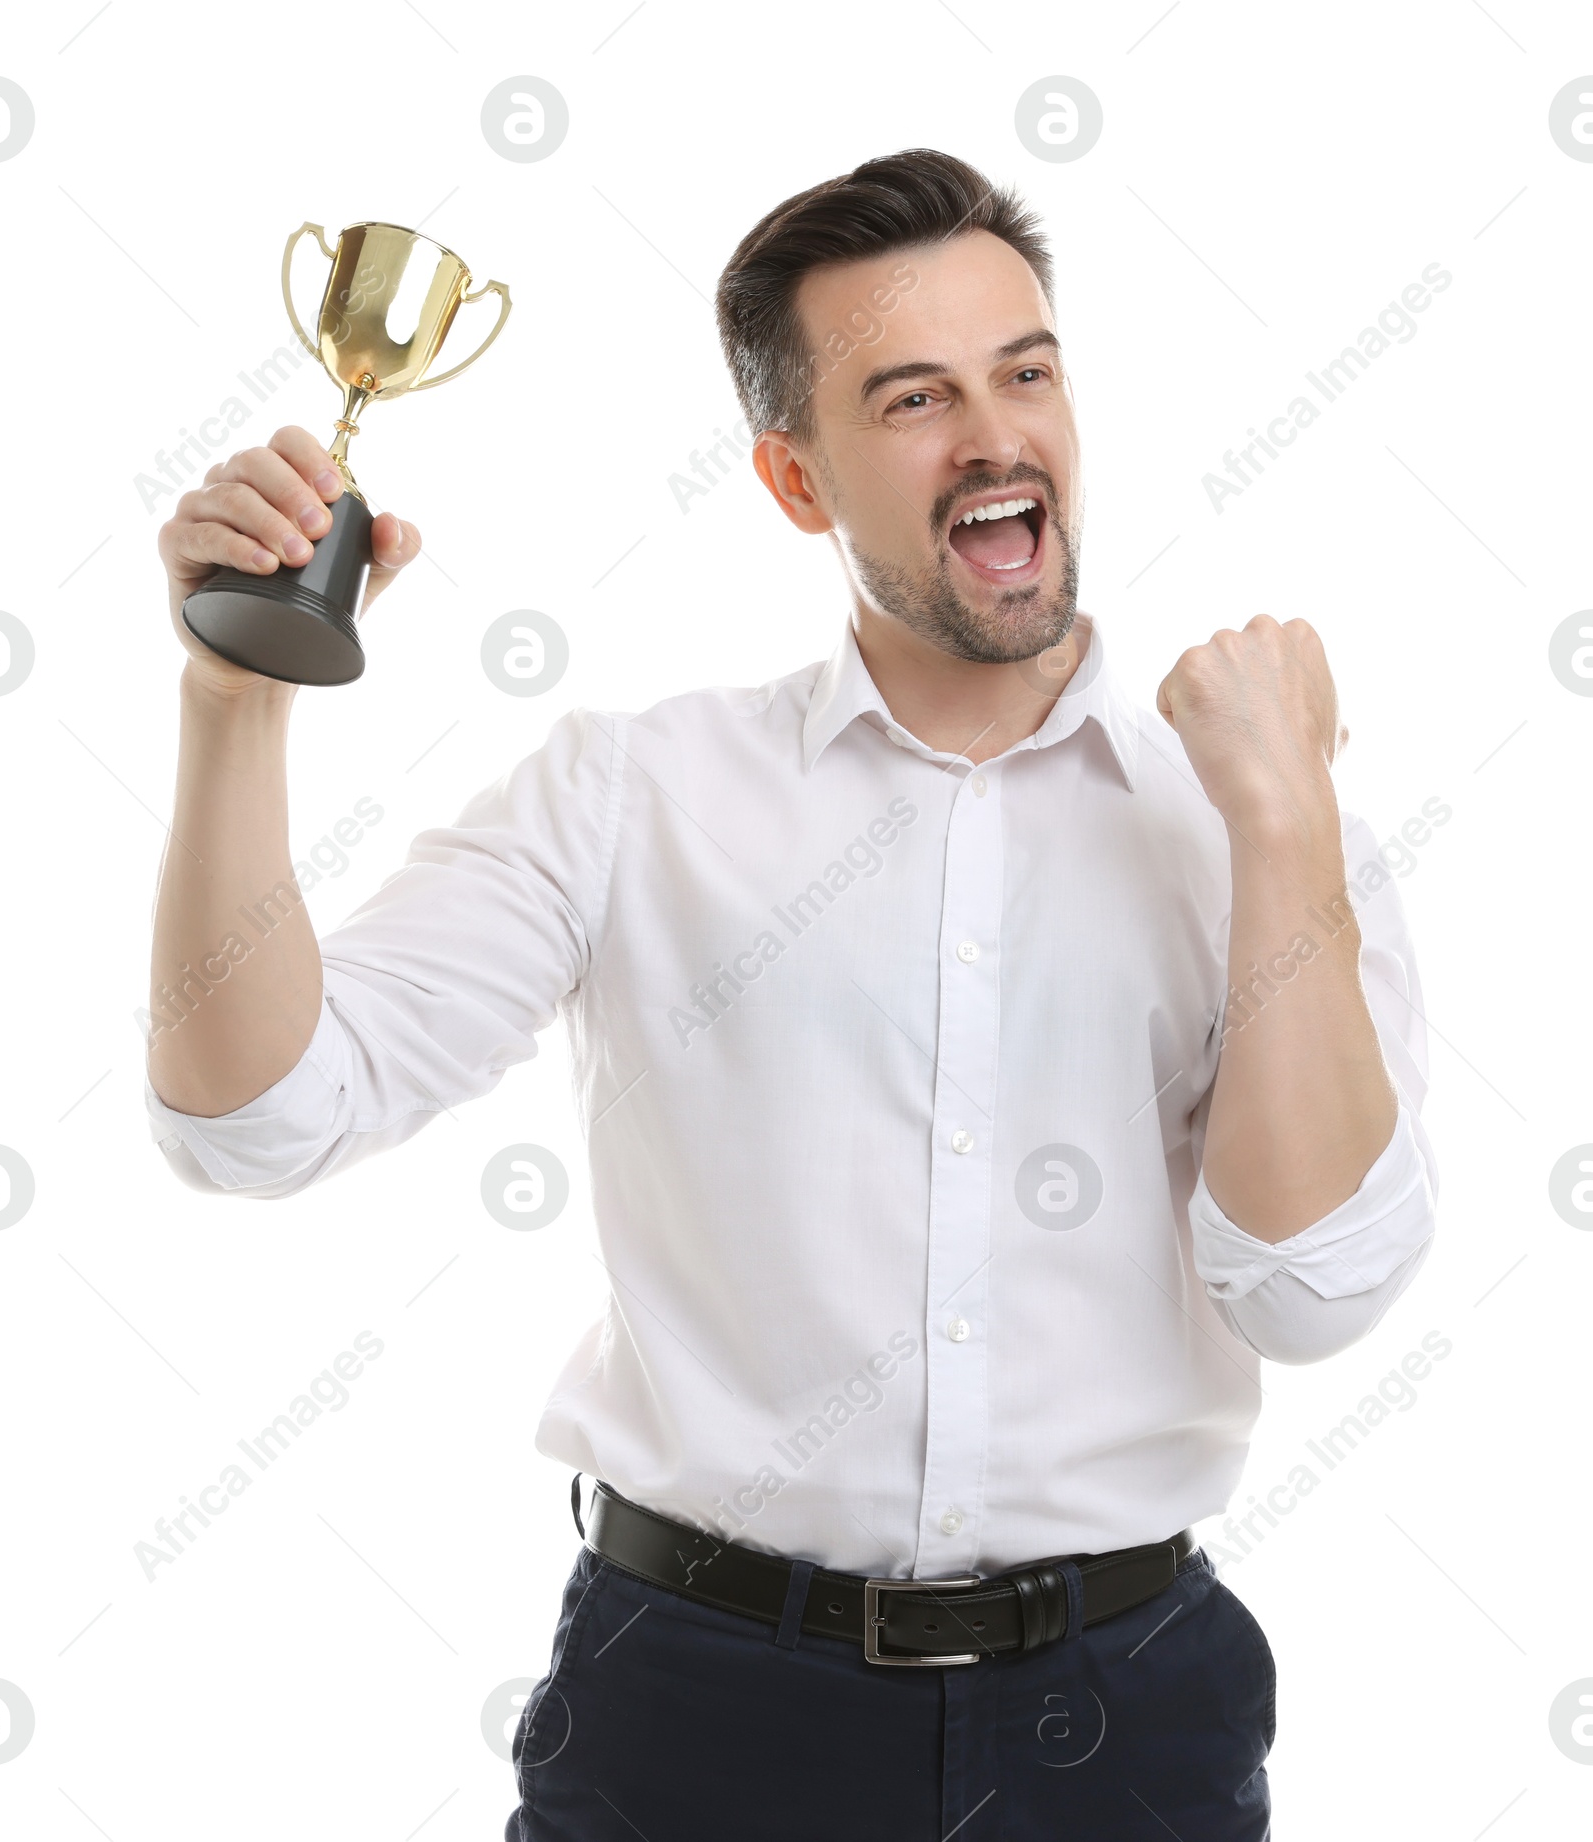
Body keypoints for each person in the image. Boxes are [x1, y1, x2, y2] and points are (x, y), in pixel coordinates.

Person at [144, 150, 1438, 1840]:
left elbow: (1316, 1290)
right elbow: (252, 1120)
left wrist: (1281, 826)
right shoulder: (630, 795)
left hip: (1120, 1727)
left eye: (1025, 371)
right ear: (792, 477)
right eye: (913, 398)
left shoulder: (1265, 804)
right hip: (693, 1717)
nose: (993, 435)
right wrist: (236, 696)